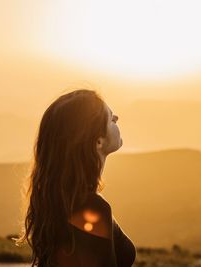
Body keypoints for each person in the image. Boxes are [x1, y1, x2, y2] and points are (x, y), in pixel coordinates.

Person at [14, 89, 136, 267]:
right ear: (98, 141)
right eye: (110, 118)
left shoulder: (58, 202)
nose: (116, 117)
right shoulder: (92, 207)